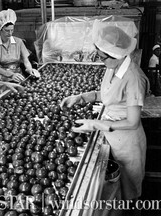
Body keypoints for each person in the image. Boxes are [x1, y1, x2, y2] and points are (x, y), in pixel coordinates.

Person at [60, 26, 150, 203]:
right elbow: (111, 94)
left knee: (130, 189)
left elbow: (132, 122)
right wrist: (81, 97)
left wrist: (95, 124)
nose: (100, 61)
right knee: (117, 187)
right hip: (112, 135)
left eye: (102, 57)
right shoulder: (113, 67)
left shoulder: (133, 78)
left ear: (114, 55)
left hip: (127, 142)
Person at [0, 9, 40, 85]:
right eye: (7, 30)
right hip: (0, 76)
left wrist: (29, 69)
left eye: (12, 30)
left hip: (17, 75)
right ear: (0, 29)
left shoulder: (19, 42)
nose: (10, 33)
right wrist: (11, 75)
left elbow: (26, 60)